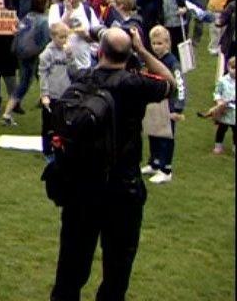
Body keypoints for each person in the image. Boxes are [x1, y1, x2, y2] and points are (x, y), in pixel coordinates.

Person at [50, 26, 174, 301]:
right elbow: (169, 81)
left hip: (81, 187)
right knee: (117, 267)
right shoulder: (135, 84)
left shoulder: (82, 80)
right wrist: (142, 50)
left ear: (100, 52)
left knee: (71, 263)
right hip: (122, 188)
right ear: (129, 55)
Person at [141, 26, 186, 184]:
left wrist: (178, 107)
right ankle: (154, 163)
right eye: (154, 43)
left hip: (169, 105)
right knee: (153, 132)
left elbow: (180, 85)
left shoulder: (173, 63)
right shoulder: (153, 61)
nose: (156, 46)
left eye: (160, 43)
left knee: (166, 137)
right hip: (154, 103)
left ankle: (166, 169)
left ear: (168, 43)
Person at [35, 23, 84, 150]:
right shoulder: (47, 54)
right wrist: (44, 94)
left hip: (66, 93)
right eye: (61, 37)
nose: (64, 40)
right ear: (53, 36)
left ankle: (61, 146)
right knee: (48, 124)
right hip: (52, 94)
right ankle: (46, 148)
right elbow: (43, 74)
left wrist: (70, 57)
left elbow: (74, 72)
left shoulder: (68, 51)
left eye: (66, 37)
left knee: (64, 123)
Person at [48, 0, 103, 68]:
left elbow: (96, 38)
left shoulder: (88, 10)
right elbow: (55, 31)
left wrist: (85, 35)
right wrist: (68, 12)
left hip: (84, 63)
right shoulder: (56, 8)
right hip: (61, 64)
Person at [205, 56, 235, 155]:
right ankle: (218, 145)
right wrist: (219, 101)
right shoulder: (223, 80)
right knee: (222, 129)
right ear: (228, 67)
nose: (235, 71)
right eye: (233, 68)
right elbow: (217, 93)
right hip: (224, 110)